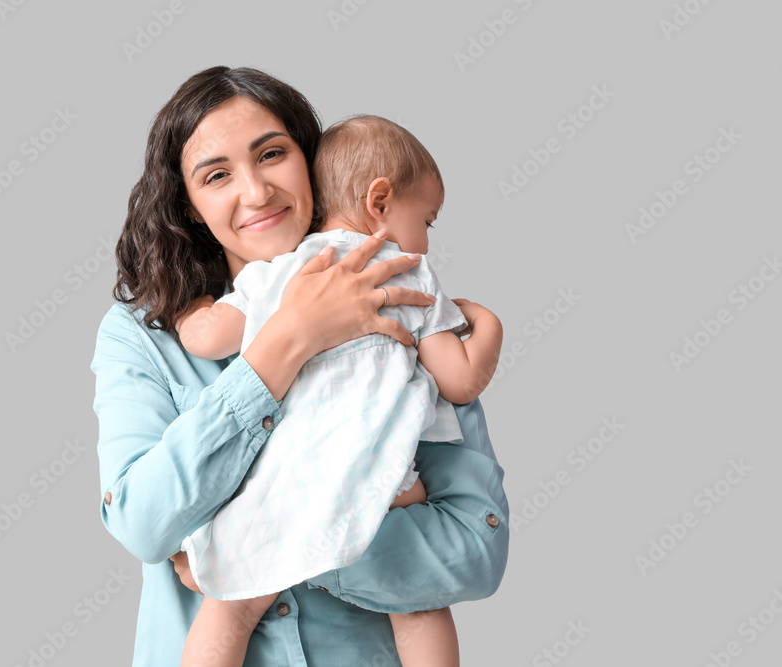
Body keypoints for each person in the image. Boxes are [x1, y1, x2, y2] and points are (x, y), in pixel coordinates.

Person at [92, 65, 509, 667]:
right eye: (217, 175)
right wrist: (288, 340)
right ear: (191, 207)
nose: (257, 192)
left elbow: (475, 553)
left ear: (310, 161)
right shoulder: (144, 336)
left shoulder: (398, 299)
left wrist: (247, 547)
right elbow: (143, 524)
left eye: (272, 154)